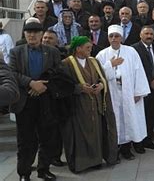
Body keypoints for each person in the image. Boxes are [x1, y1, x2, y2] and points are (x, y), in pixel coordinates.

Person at [9, 21, 62, 181]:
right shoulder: (16, 51)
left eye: (35, 32)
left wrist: (43, 86)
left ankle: (43, 169)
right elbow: (11, 73)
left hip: (46, 100)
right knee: (25, 140)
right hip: (25, 102)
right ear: (24, 34)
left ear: (41, 34)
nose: (32, 35)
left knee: (47, 137)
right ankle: (24, 173)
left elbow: (58, 73)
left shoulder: (52, 51)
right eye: (28, 32)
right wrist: (31, 83)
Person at [61, 36, 119, 172]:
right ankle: (82, 164)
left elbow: (102, 78)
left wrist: (100, 85)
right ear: (78, 49)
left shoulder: (94, 61)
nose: (90, 50)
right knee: (81, 136)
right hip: (78, 107)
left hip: (96, 105)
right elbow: (63, 86)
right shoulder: (66, 63)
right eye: (87, 48)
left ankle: (96, 161)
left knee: (97, 133)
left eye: (90, 48)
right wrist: (80, 88)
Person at [96, 25, 150, 160]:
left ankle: (127, 149)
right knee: (116, 121)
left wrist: (139, 91)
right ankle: (115, 150)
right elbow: (98, 75)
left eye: (117, 36)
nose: (114, 39)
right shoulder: (102, 54)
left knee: (129, 120)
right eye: (111, 36)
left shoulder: (131, 51)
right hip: (112, 93)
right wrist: (110, 65)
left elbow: (139, 71)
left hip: (129, 92)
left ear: (122, 38)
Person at [132, 26, 154, 151]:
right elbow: (134, 70)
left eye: (151, 33)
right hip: (141, 88)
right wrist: (148, 82)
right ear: (140, 35)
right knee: (140, 116)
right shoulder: (134, 49)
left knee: (150, 115)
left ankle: (148, 140)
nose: (149, 36)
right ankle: (138, 143)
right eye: (146, 34)